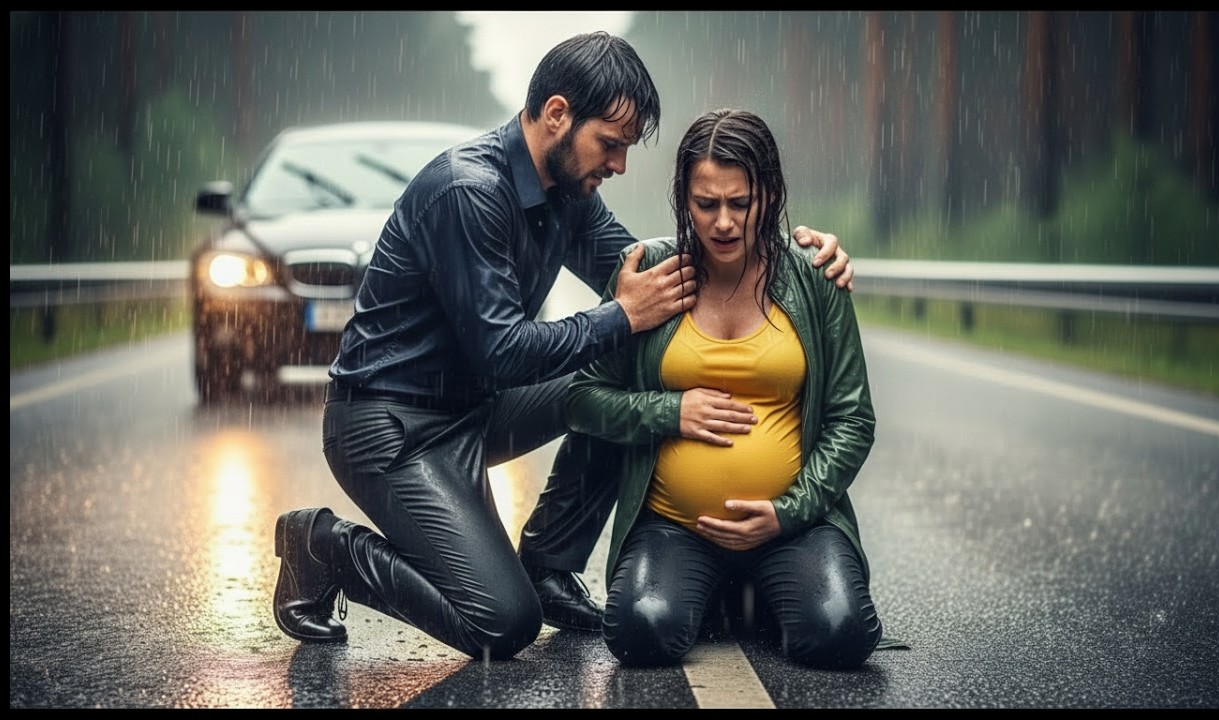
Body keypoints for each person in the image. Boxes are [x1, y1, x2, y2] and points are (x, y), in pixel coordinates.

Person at [270, 32, 854, 662]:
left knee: (622, 375)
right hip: (390, 428)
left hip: (475, 407)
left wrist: (783, 254)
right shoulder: (468, 191)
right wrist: (620, 316)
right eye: (611, 143)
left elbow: (658, 275)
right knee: (500, 625)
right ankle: (321, 547)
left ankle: (548, 565)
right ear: (556, 114)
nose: (620, 164)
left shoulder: (568, 193)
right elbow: (508, 352)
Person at [564, 108, 883, 669]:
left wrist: (790, 510)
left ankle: (742, 595)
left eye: (741, 203)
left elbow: (853, 419)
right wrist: (670, 411)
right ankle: (718, 592)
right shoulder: (652, 271)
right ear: (683, 198)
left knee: (841, 636)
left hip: (795, 528)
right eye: (706, 203)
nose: (724, 223)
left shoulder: (814, 275)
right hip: (673, 526)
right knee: (640, 633)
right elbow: (583, 399)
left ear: (771, 194)